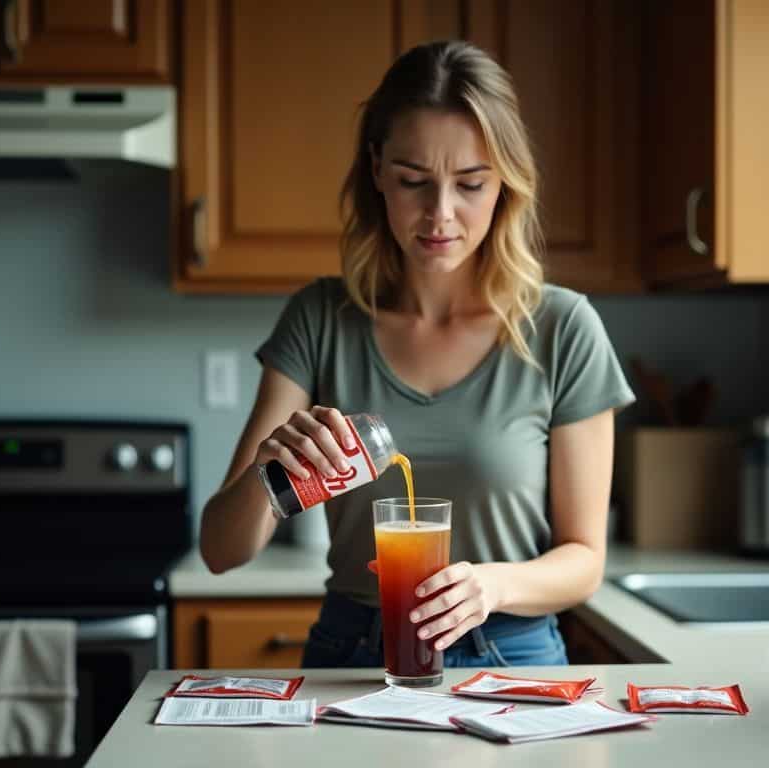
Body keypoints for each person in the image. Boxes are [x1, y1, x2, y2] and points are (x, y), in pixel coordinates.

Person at [199, 40, 634, 668]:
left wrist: (493, 586)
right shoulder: (321, 319)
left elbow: (584, 559)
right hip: (353, 655)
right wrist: (272, 475)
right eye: (413, 181)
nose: (440, 214)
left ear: (505, 181)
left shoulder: (564, 327)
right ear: (377, 171)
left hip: (511, 658)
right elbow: (221, 552)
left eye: (471, 184)